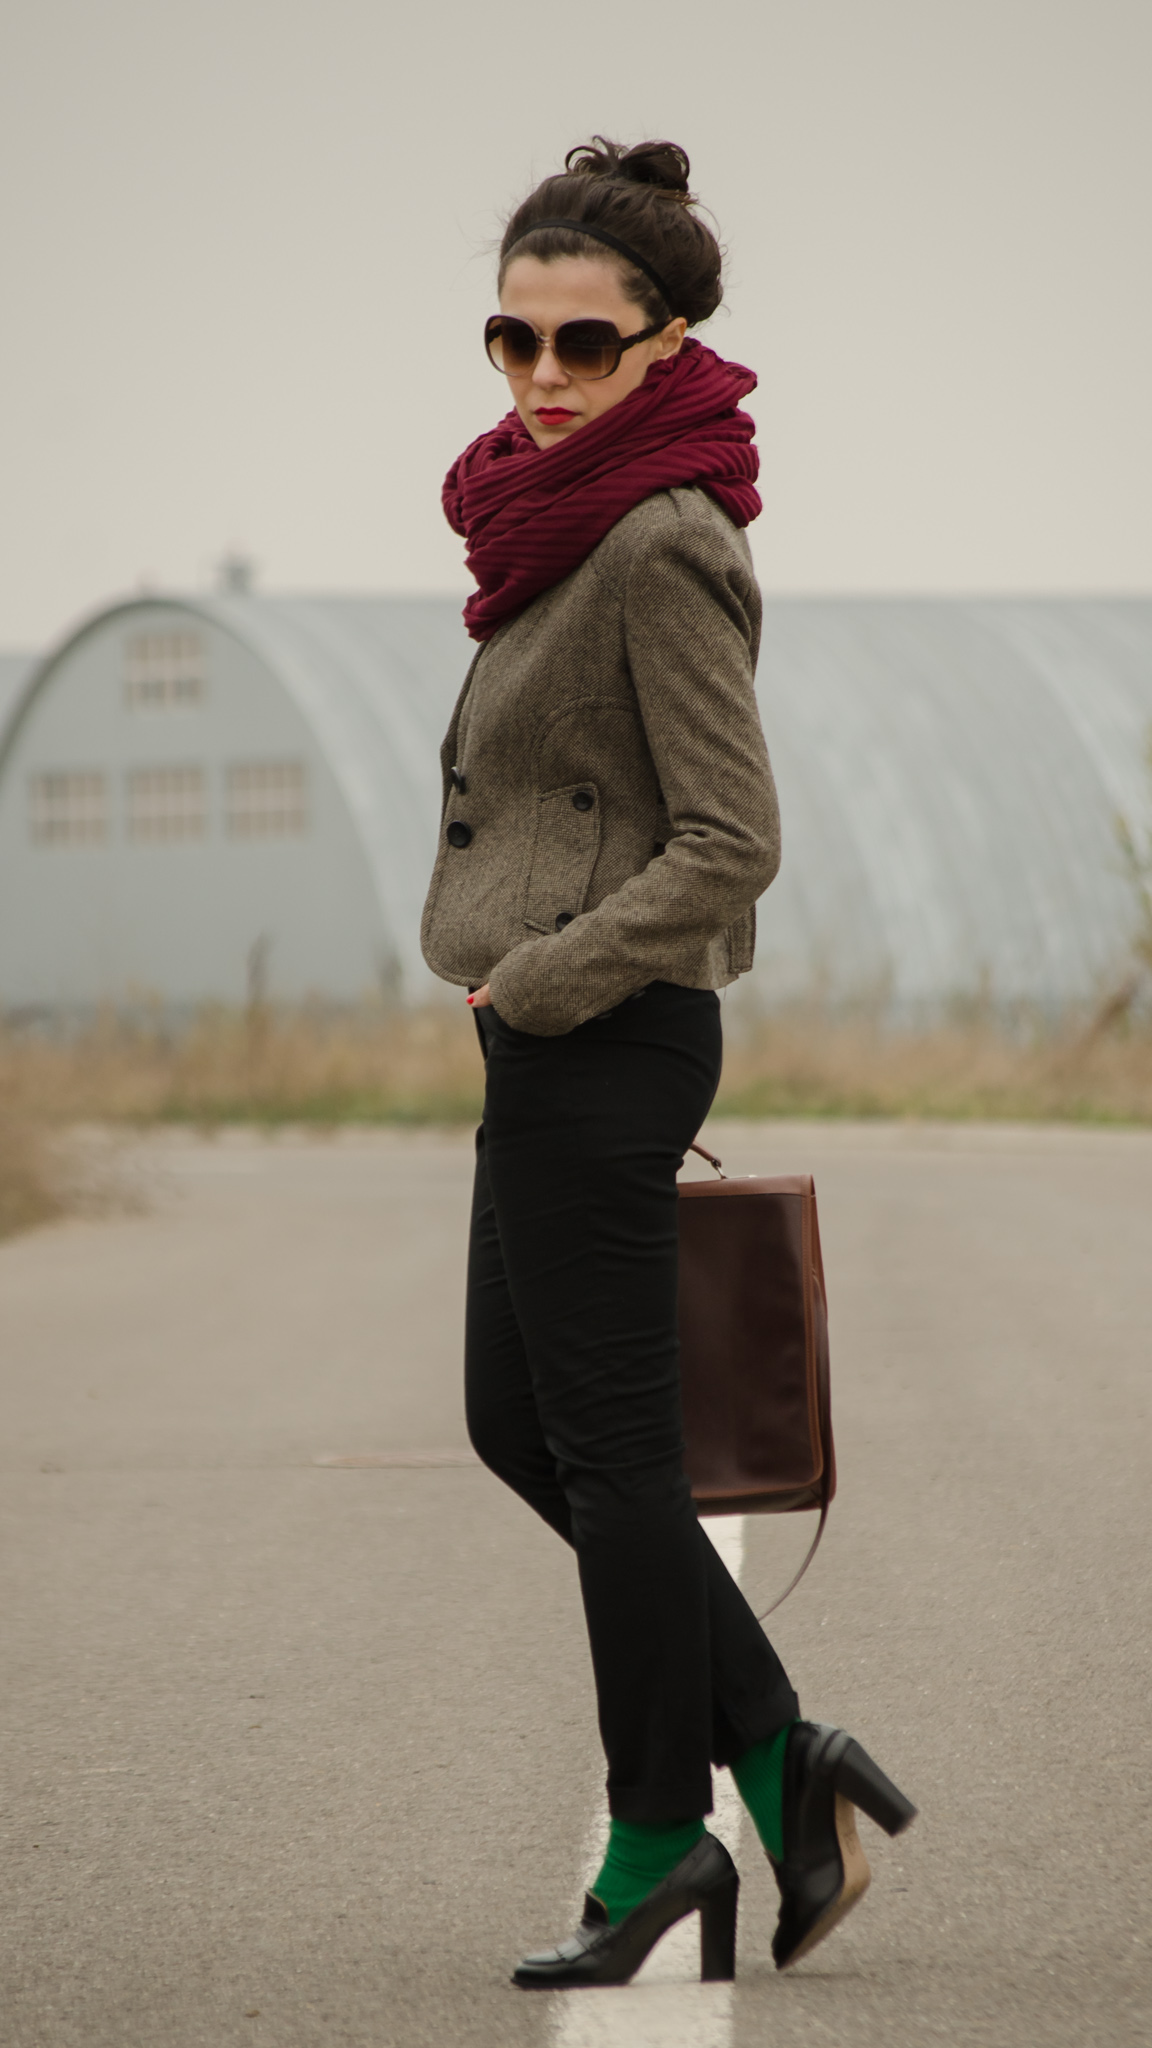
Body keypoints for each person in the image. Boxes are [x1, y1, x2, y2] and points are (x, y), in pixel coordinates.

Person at [421, 135, 916, 1990]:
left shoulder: (663, 540)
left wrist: (544, 979)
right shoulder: (550, 521)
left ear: (669, 345)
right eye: (512, 340)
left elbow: (730, 839)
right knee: (517, 1425)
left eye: (583, 345)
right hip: (550, 1042)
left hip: (606, 1036)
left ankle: (657, 1848)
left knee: (617, 1461)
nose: (540, 379)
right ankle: (783, 1748)